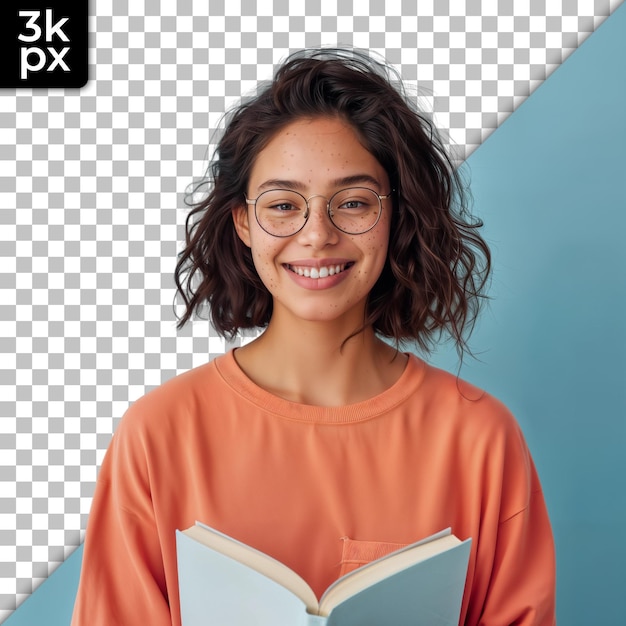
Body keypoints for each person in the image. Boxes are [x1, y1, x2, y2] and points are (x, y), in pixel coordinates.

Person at [72, 48, 556, 625]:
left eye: (353, 203)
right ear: (244, 223)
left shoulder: (480, 440)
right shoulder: (159, 434)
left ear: (396, 216)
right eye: (283, 205)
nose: (317, 235)